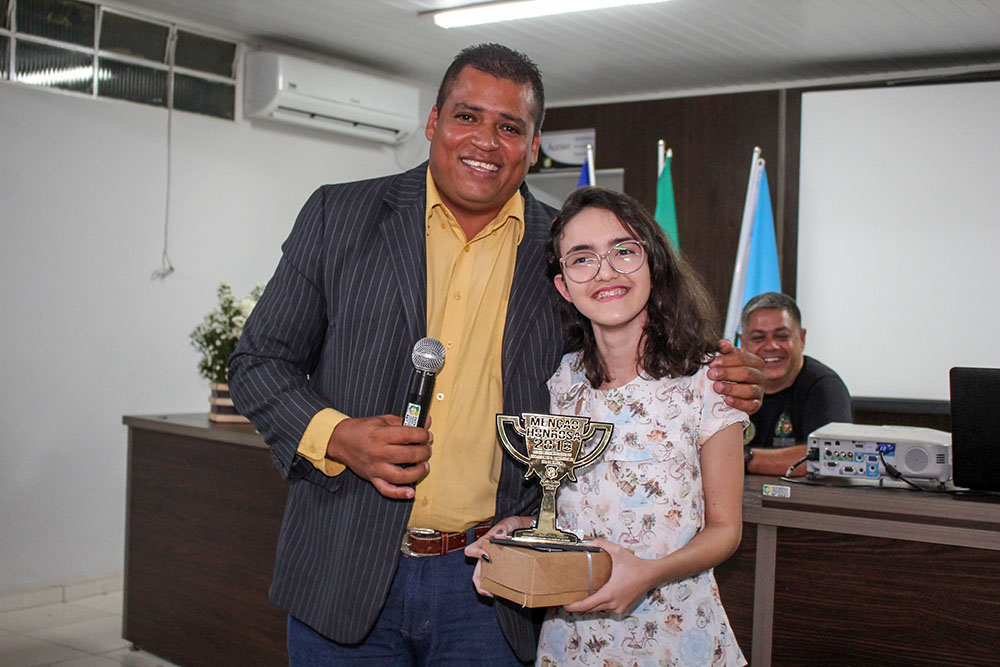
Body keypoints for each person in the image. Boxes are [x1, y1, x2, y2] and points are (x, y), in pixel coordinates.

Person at [229, 43, 763, 665]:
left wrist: (732, 380)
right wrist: (339, 436)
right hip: (341, 572)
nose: (486, 141)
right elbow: (258, 363)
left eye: (510, 127)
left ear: (533, 147)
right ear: (434, 122)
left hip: (494, 588)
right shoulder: (339, 215)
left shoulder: (563, 253)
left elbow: (627, 375)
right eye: (467, 116)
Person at [469, 186, 748, 665]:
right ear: (564, 286)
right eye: (582, 259)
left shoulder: (708, 380)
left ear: (652, 263)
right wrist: (524, 529)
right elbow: (576, 511)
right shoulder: (562, 382)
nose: (606, 272)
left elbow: (725, 530)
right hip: (572, 642)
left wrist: (648, 573)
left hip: (677, 636)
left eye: (623, 251)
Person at [739, 292, 852, 477]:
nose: (771, 346)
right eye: (758, 338)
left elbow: (831, 456)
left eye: (782, 336)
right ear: (742, 343)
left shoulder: (825, 387)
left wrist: (743, 457)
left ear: (802, 338)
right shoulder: (729, 386)